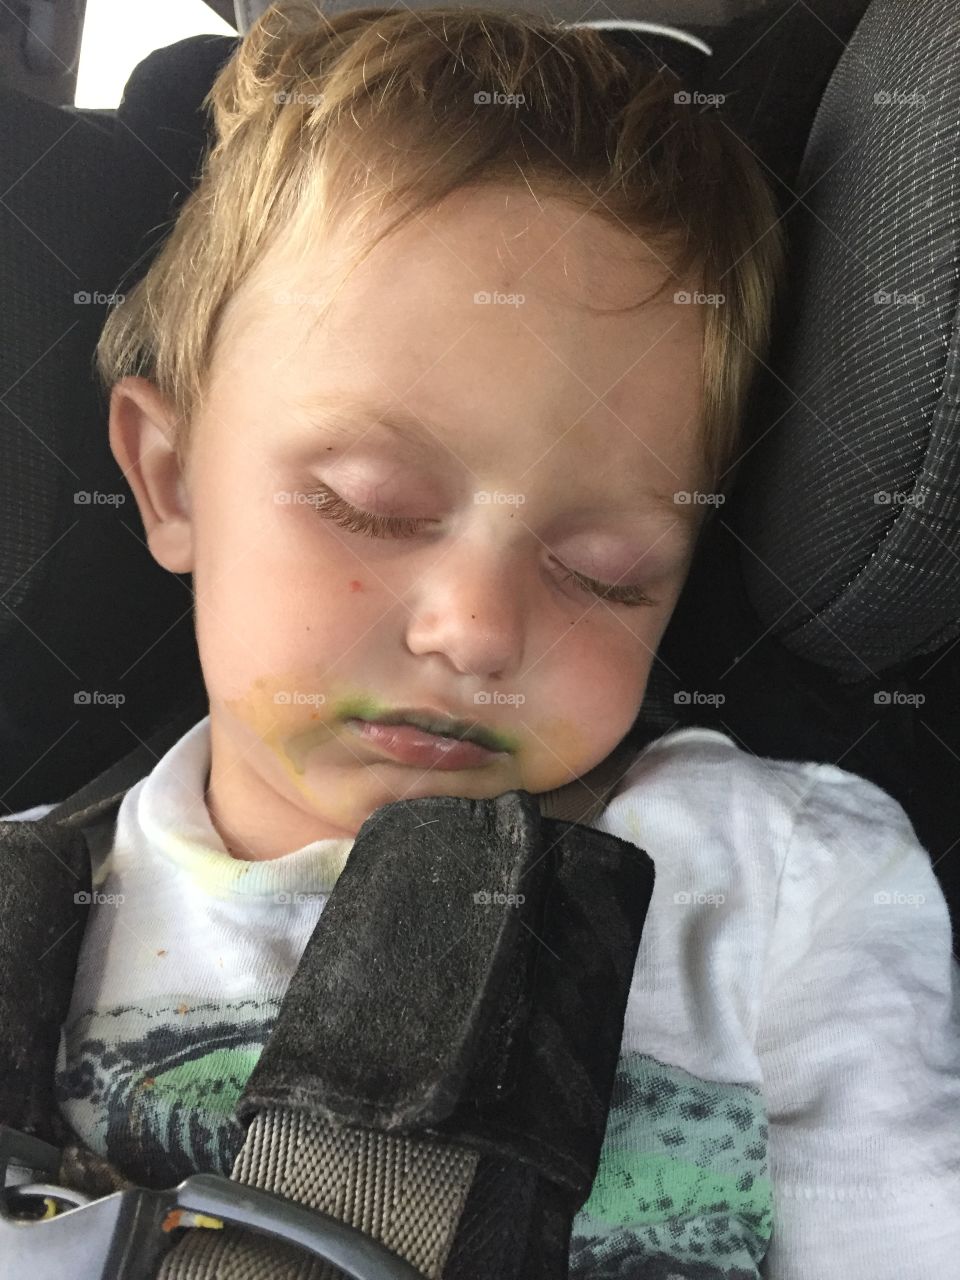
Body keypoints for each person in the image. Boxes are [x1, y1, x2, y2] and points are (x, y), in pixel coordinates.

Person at [5, 3, 959, 1275]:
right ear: (173, 481)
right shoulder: (31, 899)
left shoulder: (774, 881)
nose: (479, 627)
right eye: (369, 505)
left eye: (604, 572)